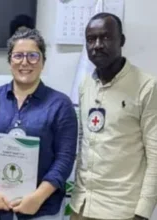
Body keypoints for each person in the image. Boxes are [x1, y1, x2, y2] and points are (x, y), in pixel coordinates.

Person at [0, 29, 78, 220]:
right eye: (18, 55)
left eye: (33, 56)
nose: (25, 62)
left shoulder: (61, 105)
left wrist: (37, 198)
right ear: (10, 61)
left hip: (41, 210)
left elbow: (64, 159)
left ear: (43, 61)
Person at [70, 12, 157, 220]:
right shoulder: (85, 85)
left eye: (105, 37)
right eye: (91, 39)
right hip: (80, 206)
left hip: (122, 211)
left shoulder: (147, 87)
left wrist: (142, 212)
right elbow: (83, 143)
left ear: (122, 41)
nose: (97, 45)